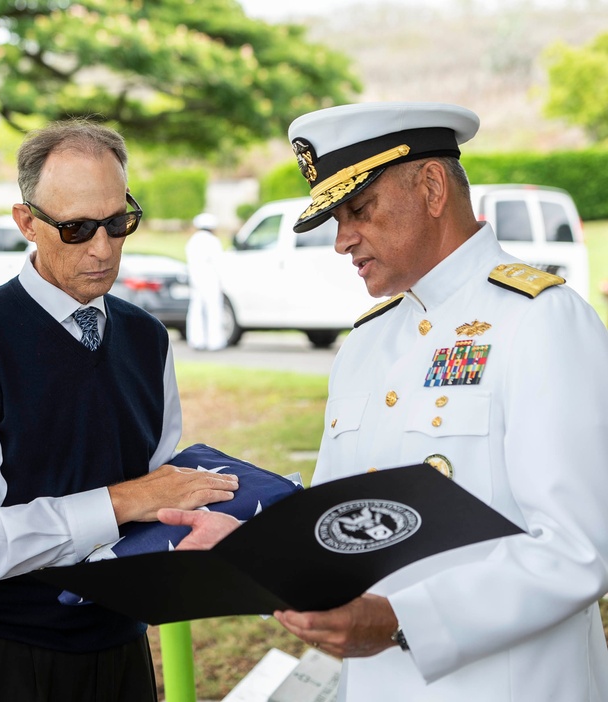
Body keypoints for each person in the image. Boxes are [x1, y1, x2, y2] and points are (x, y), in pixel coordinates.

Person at [160, 102, 608, 700]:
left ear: (429, 187)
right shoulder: (365, 342)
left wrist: (403, 620)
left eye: (359, 211)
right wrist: (249, 549)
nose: (343, 240)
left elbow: (578, 547)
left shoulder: (539, 319)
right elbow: (337, 527)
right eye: (336, 219)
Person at [0, 119, 240, 702]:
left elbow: (159, 493)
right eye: (77, 228)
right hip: (0, 662)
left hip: (122, 653)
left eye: (119, 223)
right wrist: (120, 502)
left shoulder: (146, 338)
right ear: (26, 222)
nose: (103, 247)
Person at [184, 212, 227, 351]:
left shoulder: (193, 240)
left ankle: (196, 340)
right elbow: (219, 263)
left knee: (195, 309)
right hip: (210, 279)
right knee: (214, 309)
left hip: (195, 278)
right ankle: (215, 341)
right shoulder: (213, 241)